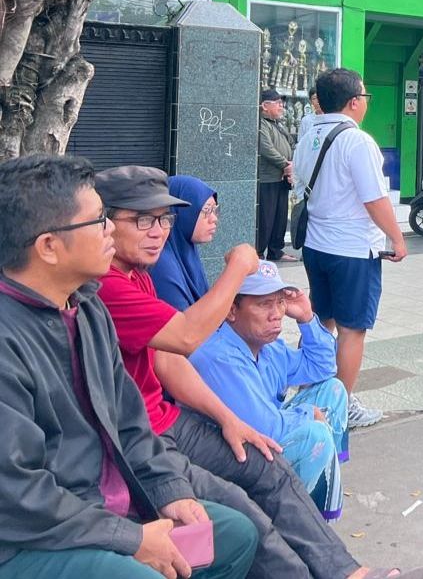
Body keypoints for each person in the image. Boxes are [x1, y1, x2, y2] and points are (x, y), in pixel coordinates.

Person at [94, 165, 423, 579]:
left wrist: (228, 420)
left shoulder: (142, 273)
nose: (157, 231)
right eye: (143, 219)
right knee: (246, 511)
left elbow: (166, 359)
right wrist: (238, 269)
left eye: (164, 219)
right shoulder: (108, 285)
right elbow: (183, 339)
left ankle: (348, 573)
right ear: (100, 223)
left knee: (268, 464)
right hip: (138, 437)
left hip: (164, 421)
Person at [0, 154, 258, 579]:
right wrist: (129, 539)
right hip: (34, 537)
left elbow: (130, 423)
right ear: (47, 246)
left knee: (233, 535)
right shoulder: (9, 336)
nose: (110, 232)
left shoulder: (87, 308)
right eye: (98, 221)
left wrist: (168, 491)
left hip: (108, 504)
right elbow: (16, 492)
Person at [293, 68, 408, 429]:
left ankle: (308, 392)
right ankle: (338, 407)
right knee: (352, 329)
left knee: (320, 321)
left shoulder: (308, 133)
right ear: (354, 101)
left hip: (316, 245)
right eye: (365, 97)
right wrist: (398, 238)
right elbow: (374, 199)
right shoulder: (357, 141)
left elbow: (298, 180)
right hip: (352, 251)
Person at [191, 260, 349, 521]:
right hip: (224, 463)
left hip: (262, 437)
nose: (276, 313)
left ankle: (317, 503)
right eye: (264, 304)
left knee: (332, 390)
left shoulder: (268, 346)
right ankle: (299, 522)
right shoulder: (218, 356)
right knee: (314, 434)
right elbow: (264, 426)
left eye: (279, 302)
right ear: (231, 310)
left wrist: (307, 317)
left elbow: (322, 367)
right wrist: (308, 413)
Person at [153, 175, 218, 310]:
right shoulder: (160, 262)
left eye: (215, 210)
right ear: (181, 213)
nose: (214, 219)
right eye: (206, 210)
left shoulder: (185, 249)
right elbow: (184, 324)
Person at [257, 90, 296, 263]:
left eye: (282, 103)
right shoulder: (260, 124)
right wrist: (285, 164)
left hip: (282, 178)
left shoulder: (277, 124)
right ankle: (259, 252)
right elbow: (266, 148)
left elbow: (291, 144)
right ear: (265, 106)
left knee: (280, 217)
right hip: (268, 179)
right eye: (277, 102)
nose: (282, 106)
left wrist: (292, 165)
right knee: (266, 217)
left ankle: (276, 251)